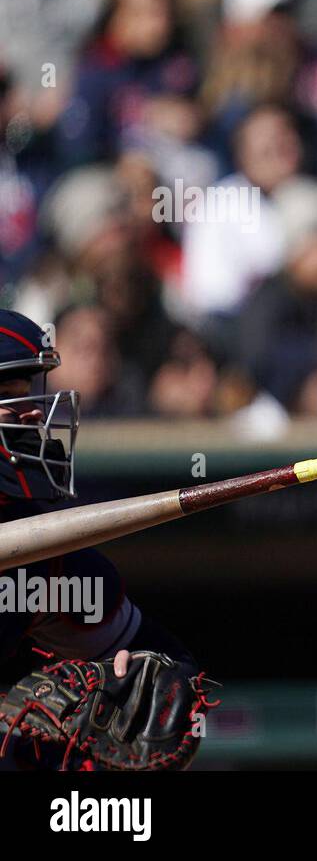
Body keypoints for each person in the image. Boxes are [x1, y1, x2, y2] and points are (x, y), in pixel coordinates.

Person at [0, 309, 213, 770]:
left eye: (31, 391)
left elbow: (170, 663)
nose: (34, 411)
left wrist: (146, 681)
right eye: (7, 395)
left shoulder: (41, 559)